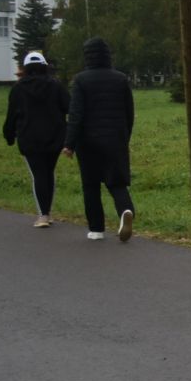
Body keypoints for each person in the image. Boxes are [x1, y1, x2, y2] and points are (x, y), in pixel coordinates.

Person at [63, 38, 136, 243]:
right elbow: (129, 112)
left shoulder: (81, 80)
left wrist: (69, 143)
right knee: (117, 182)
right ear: (108, 55)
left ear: (87, 56)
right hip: (116, 139)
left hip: (89, 142)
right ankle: (126, 211)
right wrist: (124, 136)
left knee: (91, 185)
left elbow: (75, 114)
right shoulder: (121, 79)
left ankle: (96, 229)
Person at [3, 50, 69, 228]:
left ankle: (43, 215)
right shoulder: (56, 86)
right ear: (44, 67)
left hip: (29, 138)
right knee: (49, 173)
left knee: (38, 175)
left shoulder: (18, 89)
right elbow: (68, 107)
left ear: (25, 68)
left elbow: (12, 116)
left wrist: (9, 135)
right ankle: (47, 212)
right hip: (55, 137)